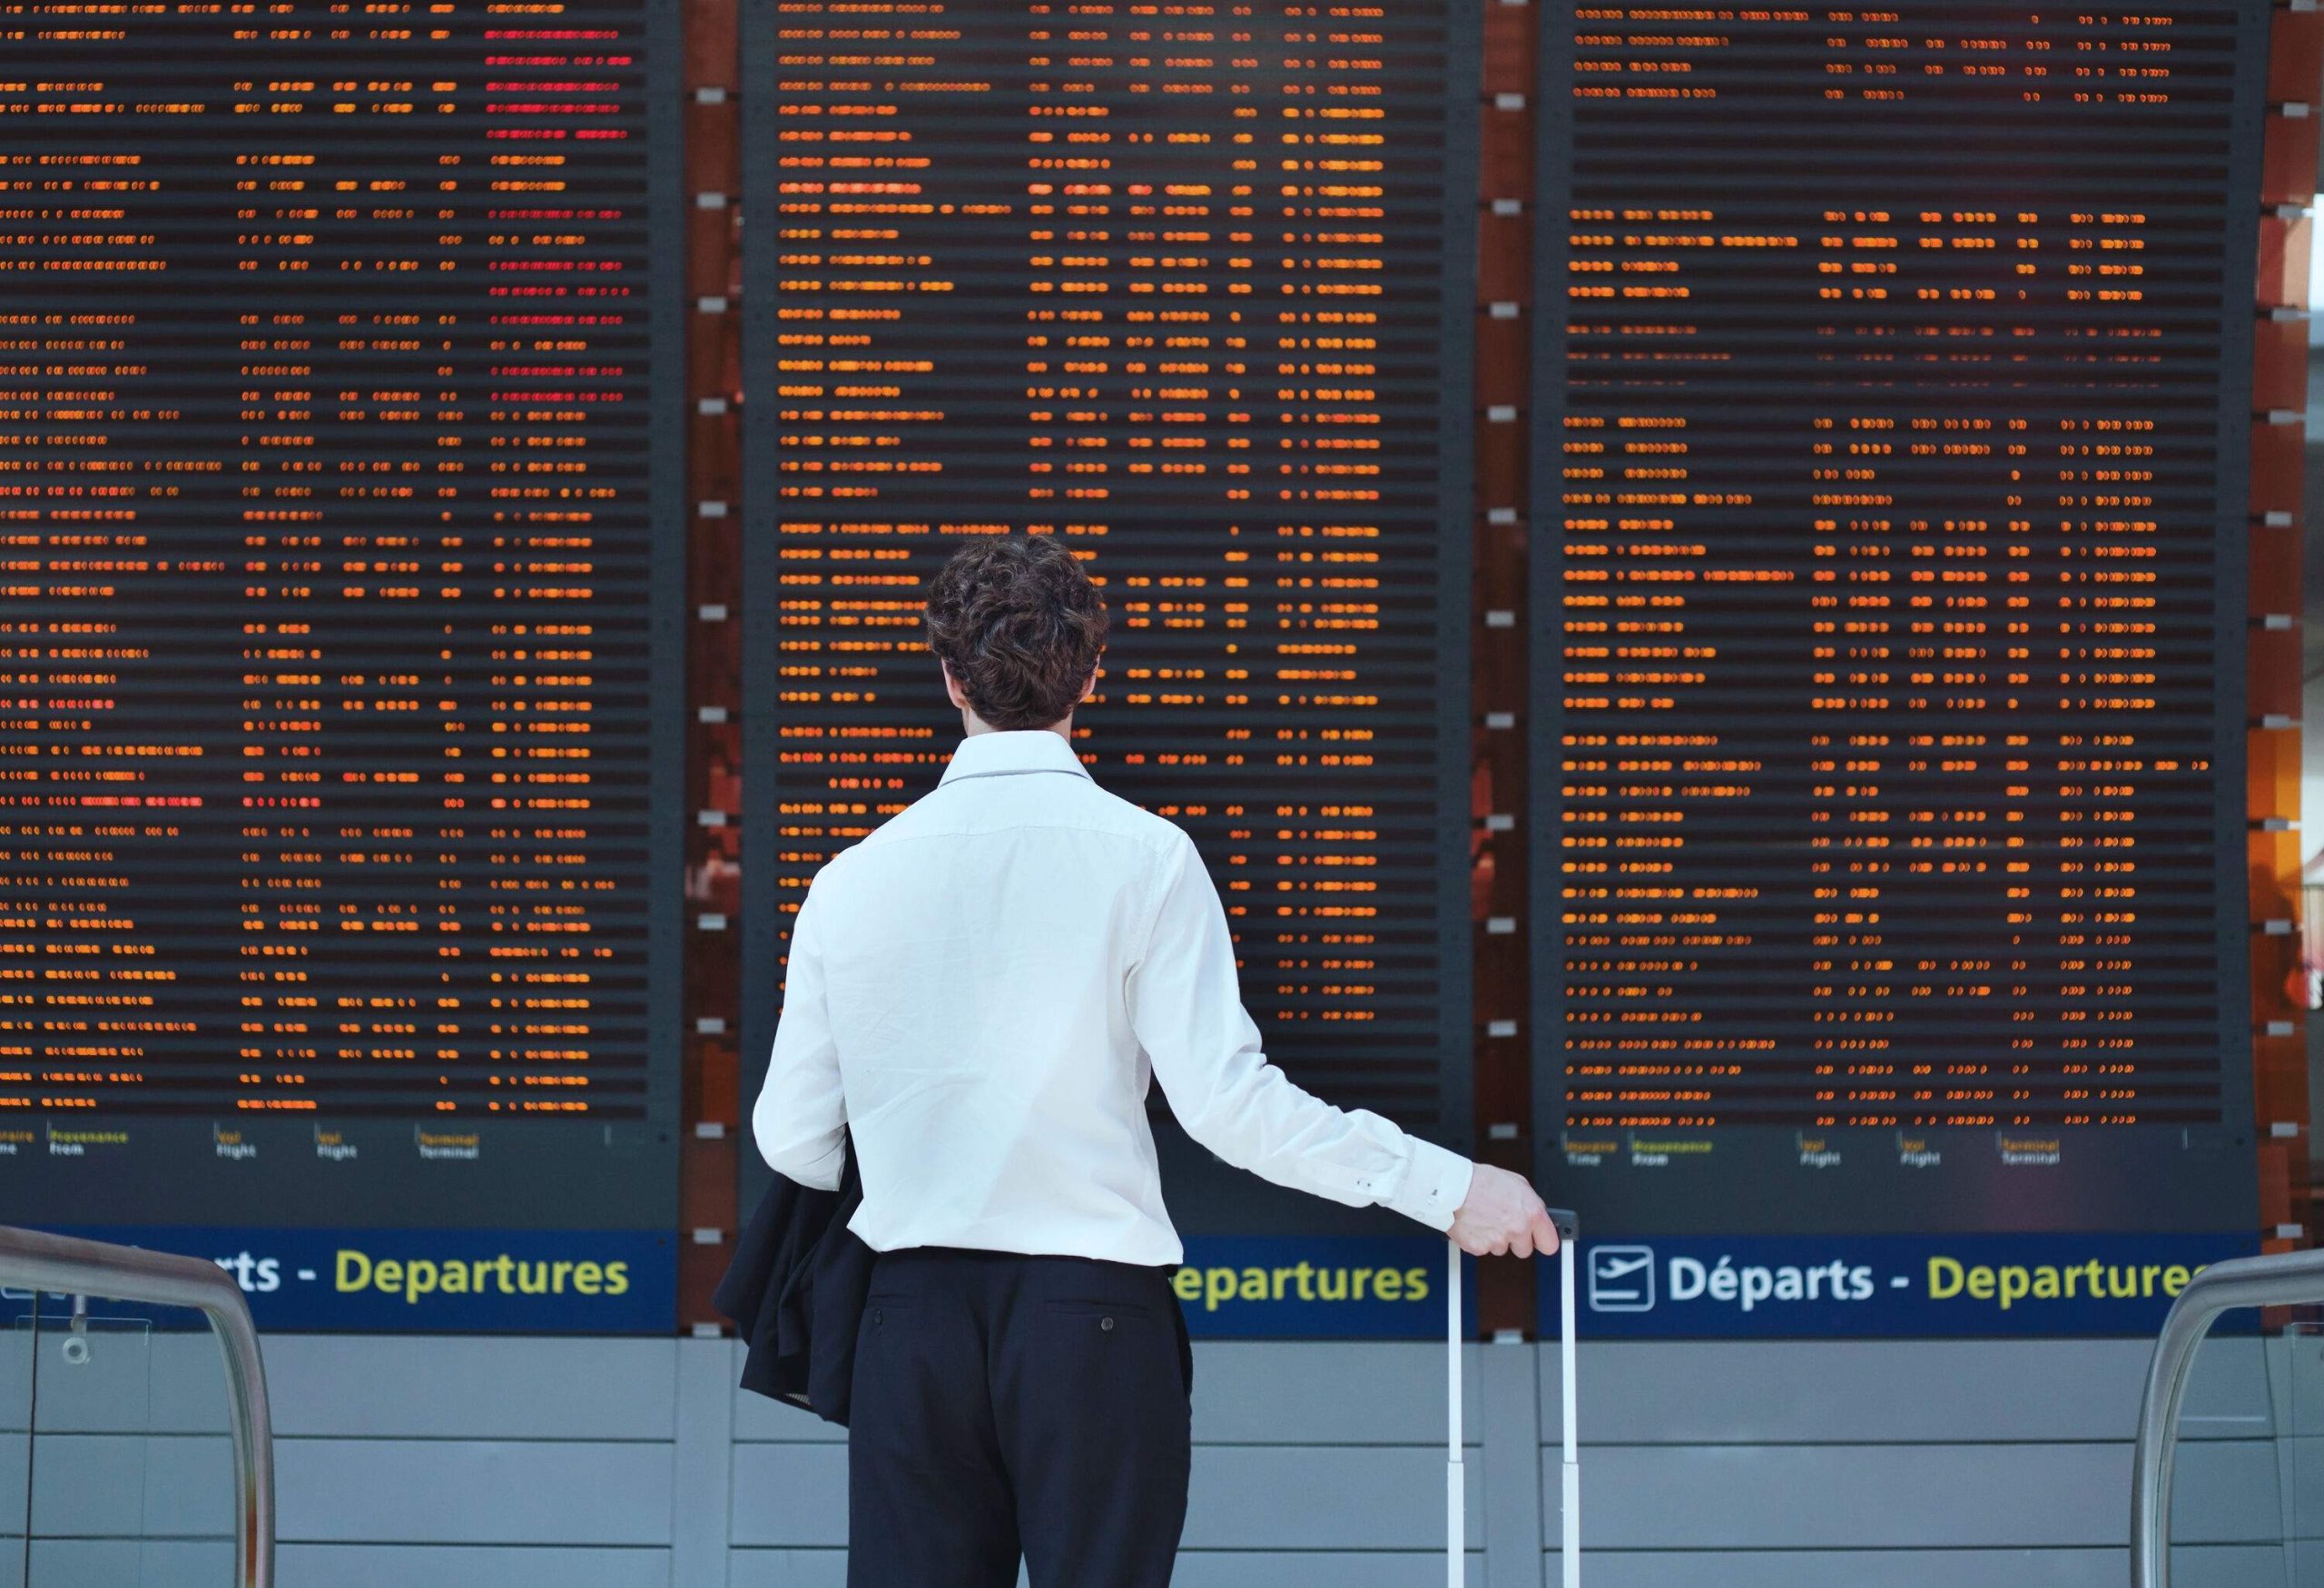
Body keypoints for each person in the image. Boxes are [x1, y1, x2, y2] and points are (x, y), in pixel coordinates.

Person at [753, 533, 1561, 1588]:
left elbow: (791, 1140)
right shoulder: (1146, 857)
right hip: (1089, 1323)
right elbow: (1227, 1107)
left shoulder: (849, 881)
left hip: (911, 1325)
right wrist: (1448, 1188)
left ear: (948, 677)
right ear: (1092, 674)